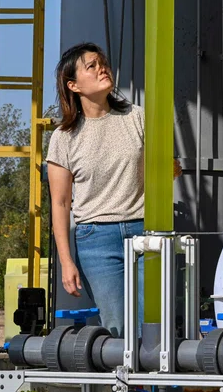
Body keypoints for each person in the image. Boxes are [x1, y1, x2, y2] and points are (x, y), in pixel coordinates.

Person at [47, 42, 145, 337]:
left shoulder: (138, 117)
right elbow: (61, 204)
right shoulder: (63, 137)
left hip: (145, 232)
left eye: (103, 62)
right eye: (92, 65)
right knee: (118, 329)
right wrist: (66, 261)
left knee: (153, 327)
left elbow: (164, 169)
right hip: (96, 240)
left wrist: (172, 169)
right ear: (73, 85)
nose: (102, 67)